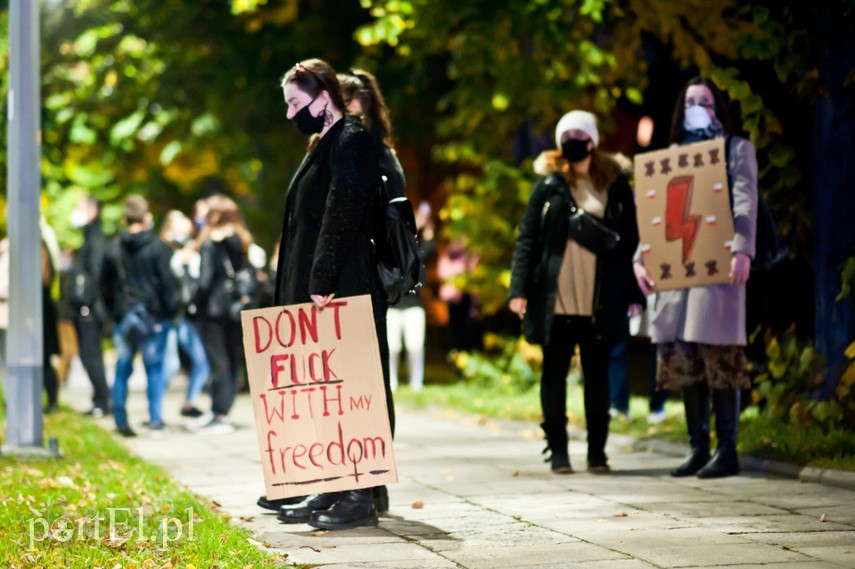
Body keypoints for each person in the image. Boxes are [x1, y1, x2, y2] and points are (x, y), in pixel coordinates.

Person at [273, 58, 386, 531]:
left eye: (296, 103)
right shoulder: (327, 142)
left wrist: (320, 279)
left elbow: (344, 210)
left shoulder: (351, 139)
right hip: (325, 286)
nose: (289, 114)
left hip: (343, 285)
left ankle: (358, 493)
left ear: (324, 98)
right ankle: (334, 483)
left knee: (349, 389)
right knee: (327, 393)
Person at [633, 77, 757, 479]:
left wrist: (742, 248)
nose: (697, 107)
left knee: (719, 355)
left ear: (718, 107)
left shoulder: (734, 149)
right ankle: (698, 446)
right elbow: (656, 216)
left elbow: (744, 199)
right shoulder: (670, 157)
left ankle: (727, 449)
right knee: (685, 359)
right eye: (690, 101)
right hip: (677, 272)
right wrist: (641, 259)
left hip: (715, 269)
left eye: (705, 101)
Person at [508, 110, 644, 474]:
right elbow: (527, 241)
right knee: (554, 375)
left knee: (597, 377)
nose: (571, 140)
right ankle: (559, 451)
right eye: (565, 135)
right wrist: (518, 290)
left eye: (578, 134)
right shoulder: (548, 187)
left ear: (593, 141)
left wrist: (634, 293)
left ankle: (597, 453)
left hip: (599, 300)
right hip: (556, 300)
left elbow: (631, 242)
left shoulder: (615, 187)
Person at [101, 195, 181, 436]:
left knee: (122, 369)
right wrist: (171, 311)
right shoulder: (158, 247)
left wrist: (115, 314)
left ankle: (120, 419)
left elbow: (104, 285)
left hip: (125, 318)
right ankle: (155, 418)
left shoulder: (113, 248)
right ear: (146, 218)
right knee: (154, 370)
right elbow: (168, 284)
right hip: (154, 318)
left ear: (125, 219)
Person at [193, 195, 255, 433]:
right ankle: (221, 410)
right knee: (231, 359)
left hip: (215, 309)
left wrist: (194, 301)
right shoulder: (241, 240)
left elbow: (206, 280)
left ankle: (220, 413)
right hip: (236, 307)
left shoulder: (211, 243)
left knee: (217, 360)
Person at [159, 209, 211, 419]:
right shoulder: (167, 254)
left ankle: (184, 403)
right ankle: (155, 411)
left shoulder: (186, 253)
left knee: (193, 363)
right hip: (175, 317)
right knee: (172, 365)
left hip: (183, 317)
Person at [68, 195, 111, 417]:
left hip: (91, 310)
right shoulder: (89, 237)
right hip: (88, 308)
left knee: (91, 356)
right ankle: (101, 399)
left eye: (80, 208)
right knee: (88, 356)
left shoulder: (95, 240)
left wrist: (85, 304)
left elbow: (94, 275)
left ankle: (102, 401)